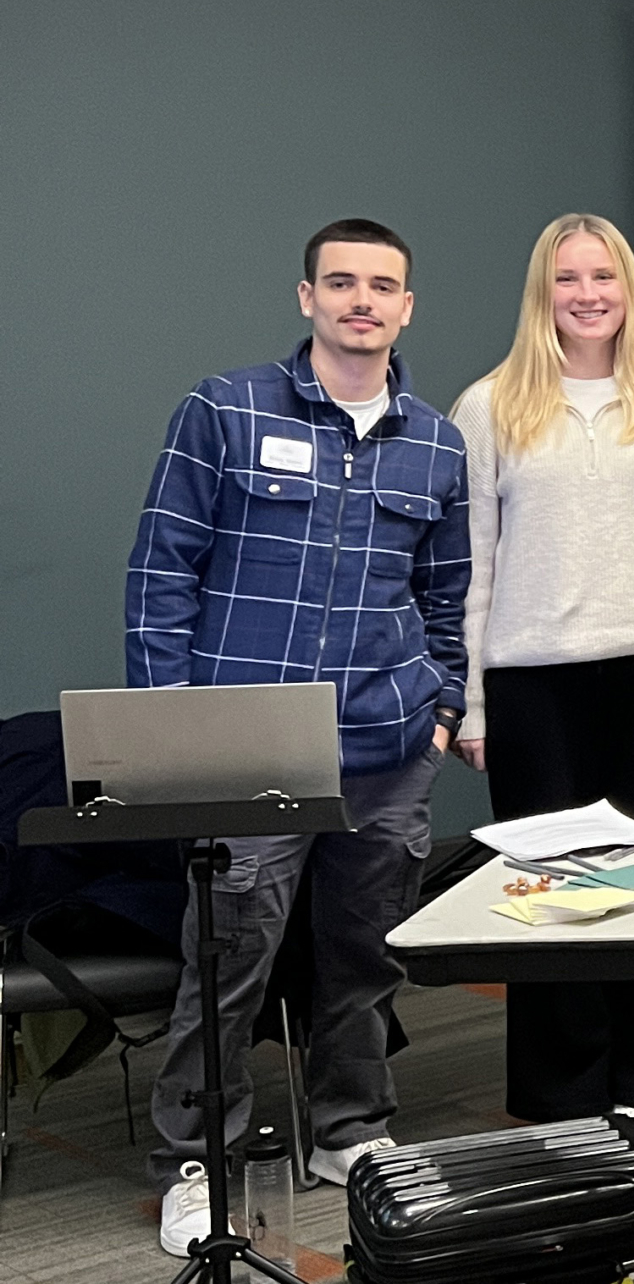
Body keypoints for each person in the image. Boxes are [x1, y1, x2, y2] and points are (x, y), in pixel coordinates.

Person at [126, 220, 469, 1256]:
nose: (362, 300)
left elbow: (448, 595)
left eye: (384, 286)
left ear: (407, 307)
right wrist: (168, 725)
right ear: (307, 297)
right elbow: (159, 575)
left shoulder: (437, 442)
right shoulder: (224, 410)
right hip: (247, 749)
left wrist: (442, 705)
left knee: (363, 957)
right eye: (342, 283)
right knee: (228, 960)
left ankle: (350, 1131)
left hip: (385, 745)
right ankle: (199, 1162)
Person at [448, 214, 634, 1122]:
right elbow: (473, 566)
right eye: (568, 279)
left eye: (604, 278)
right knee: (552, 893)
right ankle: (560, 1093)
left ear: (629, 291)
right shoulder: (489, 406)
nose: (587, 295)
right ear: (544, 292)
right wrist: (476, 701)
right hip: (535, 685)